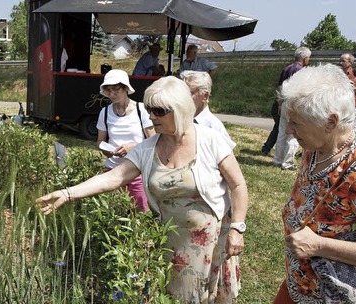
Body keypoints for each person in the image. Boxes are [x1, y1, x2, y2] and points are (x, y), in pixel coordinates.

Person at [38, 76, 249, 303]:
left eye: (158, 110)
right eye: (149, 109)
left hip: (212, 239)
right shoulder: (147, 149)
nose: (150, 116)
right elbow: (114, 177)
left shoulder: (210, 140)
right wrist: (68, 193)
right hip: (170, 241)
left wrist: (237, 228)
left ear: (179, 109)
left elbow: (238, 185)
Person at [272, 64, 356, 304]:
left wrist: (319, 245)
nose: (290, 130)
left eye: (296, 122)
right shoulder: (314, 148)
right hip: (299, 286)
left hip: (333, 296)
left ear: (330, 122)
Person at [96, 69, 156, 211]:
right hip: (112, 169)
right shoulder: (104, 112)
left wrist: (133, 147)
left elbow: (154, 141)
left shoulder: (141, 110)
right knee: (113, 211)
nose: (112, 94)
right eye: (108, 90)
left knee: (141, 211)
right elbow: (99, 141)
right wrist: (106, 149)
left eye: (116, 89)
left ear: (125, 88)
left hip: (137, 170)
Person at [273, 46, 311, 170]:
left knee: (282, 132)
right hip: (294, 105)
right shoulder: (302, 71)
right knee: (294, 134)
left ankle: (278, 160)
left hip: (284, 102)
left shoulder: (287, 69)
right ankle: (287, 162)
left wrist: (279, 104)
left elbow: (279, 87)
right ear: (305, 58)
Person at [180, 70, 236, 149]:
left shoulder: (213, 127)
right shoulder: (178, 120)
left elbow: (227, 157)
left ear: (205, 96)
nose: (184, 97)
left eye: (190, 93)